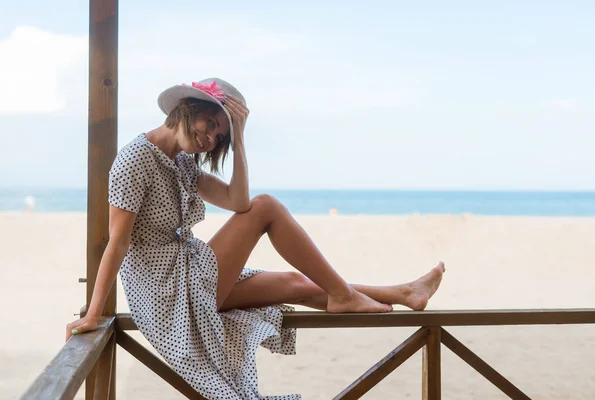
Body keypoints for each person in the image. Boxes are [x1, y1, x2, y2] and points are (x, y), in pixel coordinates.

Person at [65, 77, 445, 399]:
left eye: (220, 134)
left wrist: (240, 140)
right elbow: (117, 242)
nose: (212, 138)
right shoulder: (135, 159)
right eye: (211, 123)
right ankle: (346, 295)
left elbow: (236, 201)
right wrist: (95, 312)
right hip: (164, 287)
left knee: (295, 283)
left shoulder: (181, 163)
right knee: (267, 207)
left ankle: (402, 293)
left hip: (188, 271)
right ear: (186, 107)